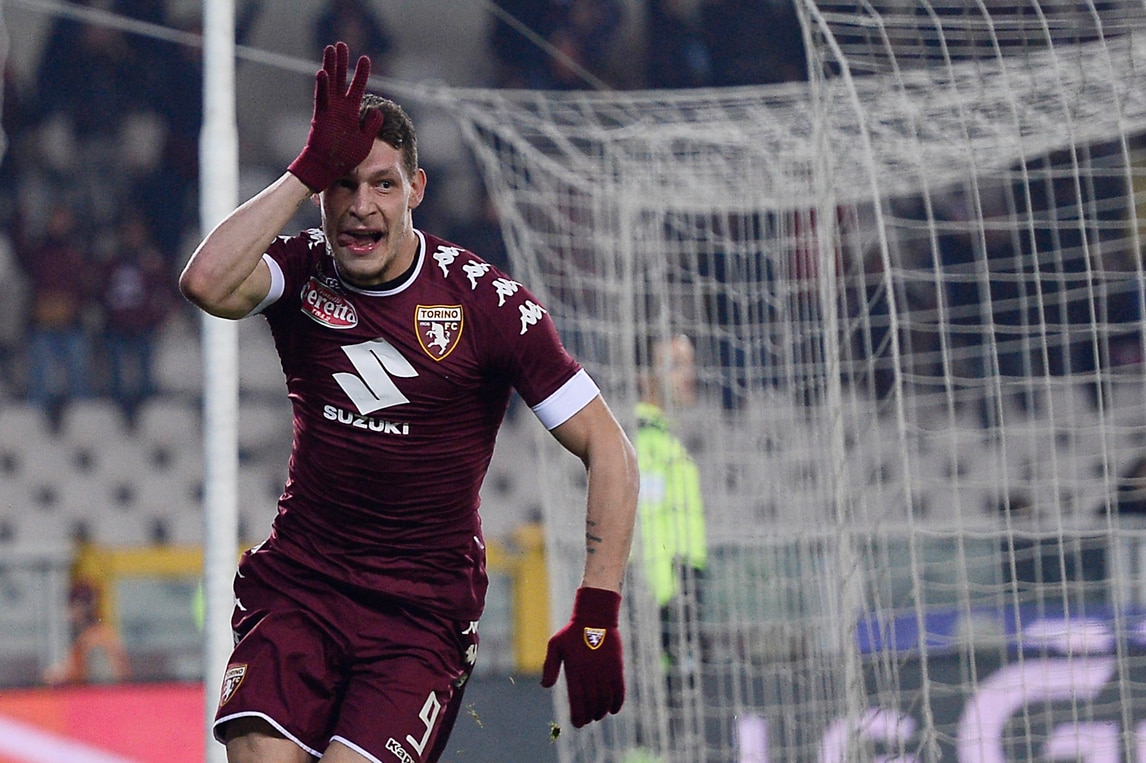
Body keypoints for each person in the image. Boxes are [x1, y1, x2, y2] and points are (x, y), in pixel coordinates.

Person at [179, 42, 639, 763]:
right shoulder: (302, 269)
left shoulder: (487, 305)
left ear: (416, 189)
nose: (361, 206)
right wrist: (303, 171)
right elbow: (205, 283)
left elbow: (610, 448)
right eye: (343, 184)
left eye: (383, 185)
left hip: (418, 619)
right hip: (300, 588)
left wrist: (597, 611)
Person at [633, 332, 708, 752]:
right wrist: (669, 599)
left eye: (689, 363)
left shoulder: (665, 441)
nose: (688, 374)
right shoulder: (644, 444)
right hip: (660, 606)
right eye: (675, 365)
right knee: (655, 725)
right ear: (646, 379)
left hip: (678, 597)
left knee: (668, 727)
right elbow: (640, 529)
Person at [43, 581, 131, 686]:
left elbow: (103, 683)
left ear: (80, 607)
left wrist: (63, 676)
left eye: (69, 607)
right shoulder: (86, 637)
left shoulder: (96, 641)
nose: (65, 614)